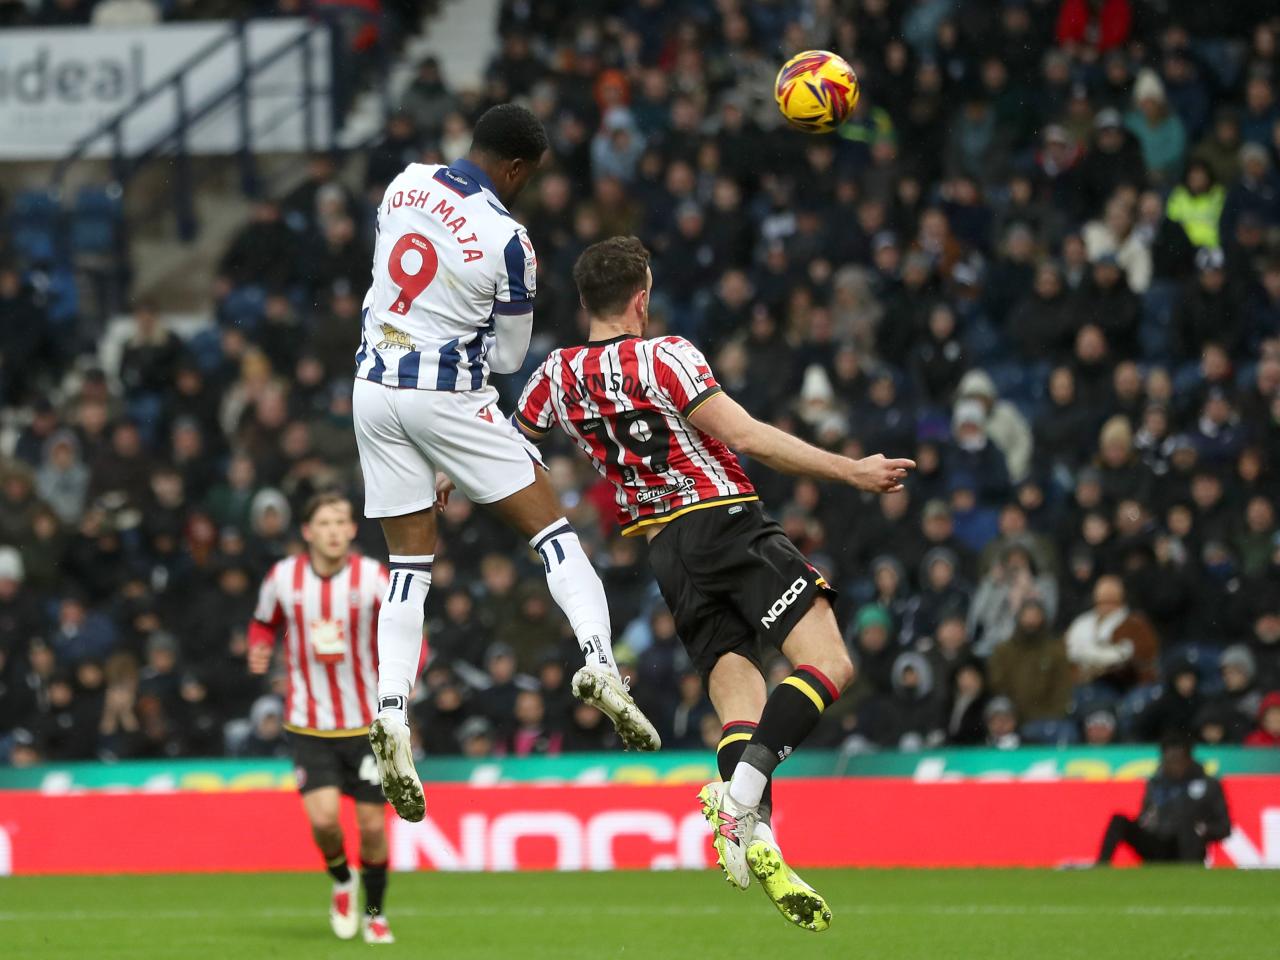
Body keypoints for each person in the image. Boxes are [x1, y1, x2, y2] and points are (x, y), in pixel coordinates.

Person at [513, 236, 913, 931]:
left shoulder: (554, 375)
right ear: (642, 297)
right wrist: (851, 471)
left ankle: (759, 837)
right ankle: (738, 800)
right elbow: (748, 436)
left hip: (667, 553)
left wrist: (446, 476)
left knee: (741, 704)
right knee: (829, 661)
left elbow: (509, 443)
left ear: (583, 303)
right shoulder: (665, 355)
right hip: (725, 522)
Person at [351, 104, 660, 824]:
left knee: (408, 567)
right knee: (553, 532)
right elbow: (511, 358)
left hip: (372, 388)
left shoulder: (403, 184)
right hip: (445, 395)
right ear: (518, 168)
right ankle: (599, 660)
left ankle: (391, 711)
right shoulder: (509, 239)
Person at [245, 492, 395, 944]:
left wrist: (404, 680)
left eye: (341, 522)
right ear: (308, 532)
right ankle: (343, 880)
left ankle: (374, 913)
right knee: (325, 821)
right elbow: (262, 622)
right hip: (309, 723)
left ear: (352, 530)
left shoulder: (372, 578)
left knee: (371, 827)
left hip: (367, 724)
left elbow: (406, 627)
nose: (333, 531)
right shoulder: (283, 578)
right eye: (324, 523)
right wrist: (260, 646)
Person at [1096, 733, 1231, 865]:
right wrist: (1146, 820)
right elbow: (1145, 814)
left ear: (1189, 760)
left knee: (1186, 824)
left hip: (1187, 847)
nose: (1172, 766)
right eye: (1168, 761)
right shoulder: (1156, 783)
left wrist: (1202, 829)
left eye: (1177, 760)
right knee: (1118, 820)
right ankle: (1101, 868)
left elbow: (1225, 827)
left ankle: (1188, 872)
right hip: (1157, 843)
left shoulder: (1208, 785)